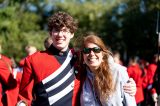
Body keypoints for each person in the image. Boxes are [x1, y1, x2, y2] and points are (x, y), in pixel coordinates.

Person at [17, 11, 136, 106]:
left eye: (64, 31)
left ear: (72, 34)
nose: (60, 35)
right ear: (50, 33)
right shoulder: (34, 60)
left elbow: (104, 62)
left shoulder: (81, 56)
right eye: (56, 30)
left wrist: (128, 83)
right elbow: (24, 97)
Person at [76, 32, 136, 106]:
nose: (91, 54)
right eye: (87, 50)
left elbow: (130, 103)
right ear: (83, 55)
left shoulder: (118, 72)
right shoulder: (81, 75)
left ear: (103, 54)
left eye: (96, 49)